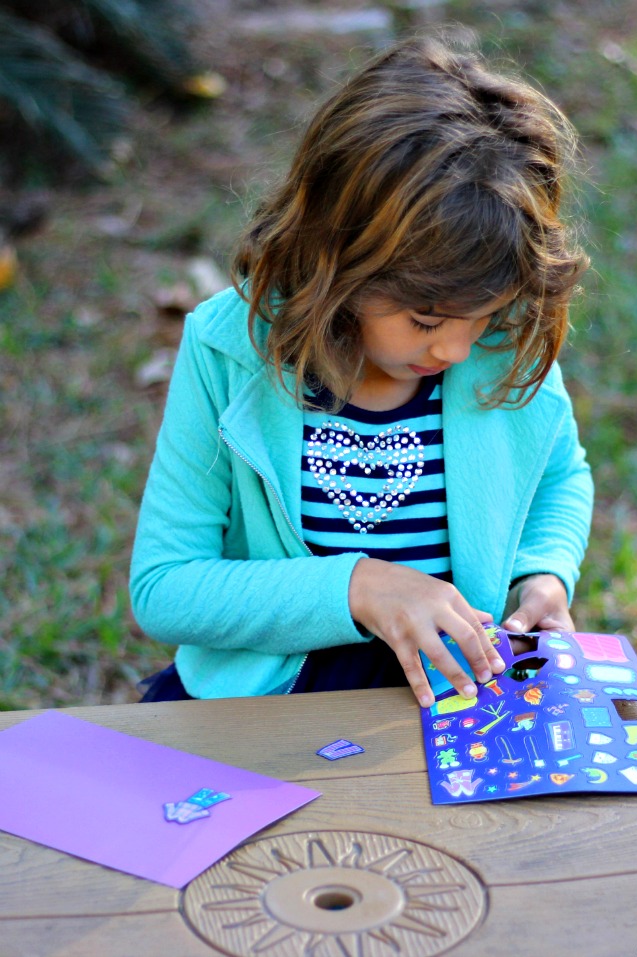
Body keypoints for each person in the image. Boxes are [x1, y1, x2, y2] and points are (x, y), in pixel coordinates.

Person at [129, 33, 594, 707]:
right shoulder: (227, 348)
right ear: (338, 260)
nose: (458, 351)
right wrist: (358, 587)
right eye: (426, 321)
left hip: (453, 695)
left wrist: (544, 578)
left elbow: (559, 476)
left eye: (485, 316)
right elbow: (164, 588)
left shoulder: (503, 347)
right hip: (267, 704)